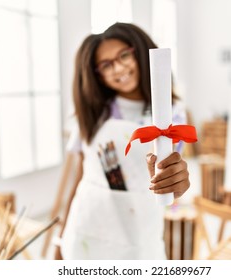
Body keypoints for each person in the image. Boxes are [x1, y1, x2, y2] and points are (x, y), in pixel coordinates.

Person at [58, 22, 191, 260]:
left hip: (137, 235)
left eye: (124, 55)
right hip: (85, 231)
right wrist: (60, 238)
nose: (118, 68)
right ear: (96, 73)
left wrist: (175, 181)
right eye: (106, 64)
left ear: (139, 51)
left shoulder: (171, 113)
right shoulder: (93, 112)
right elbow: (80, 176)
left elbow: (170, 171)